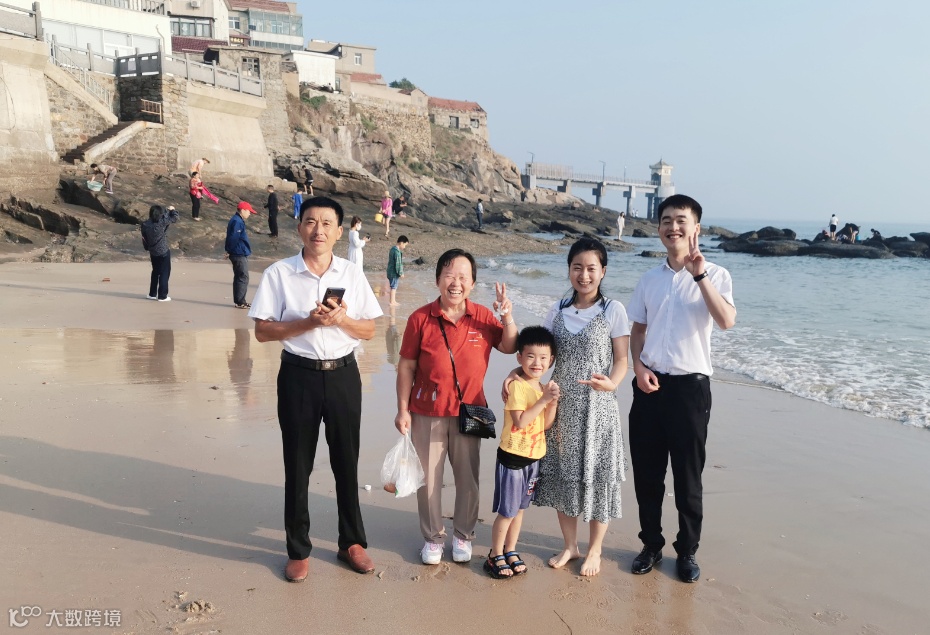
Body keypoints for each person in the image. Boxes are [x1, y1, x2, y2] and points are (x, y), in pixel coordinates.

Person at [249, 195, 383, 581]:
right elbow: (262, 331)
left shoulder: (352, 274)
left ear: (340, 232)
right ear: (299, 228)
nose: (318, 230)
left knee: (346, 461)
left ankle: (351, 542)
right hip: (298, 376)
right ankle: (298, 549)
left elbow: (369, 330)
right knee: (298, 464)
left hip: (343, 375)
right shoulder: (279, 274)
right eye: (310, 221)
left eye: (326, 223)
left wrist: (341, 321)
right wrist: (308, 323)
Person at [627, 194, 736, 584]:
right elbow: (638, 331)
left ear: (696, 228)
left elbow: (726, 320)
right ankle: (651, 545)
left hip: (691, 389)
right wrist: (638, 368)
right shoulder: (649, 279)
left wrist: (699, 275)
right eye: (666, 221)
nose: (673, 227)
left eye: (681, 220)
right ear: (658, 228)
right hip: (649, 386)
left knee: (688, 477)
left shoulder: (716, 274)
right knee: (647, 475)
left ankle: (687, 551)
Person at [512, 237, 631, 577]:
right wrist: (515, 373)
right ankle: (570, 546)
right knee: (565, 476)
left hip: (598, 409)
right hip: (560, 407)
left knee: (598, 477)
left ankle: (595, 550)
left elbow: (622, 360)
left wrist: (612, 383)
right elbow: (539, 355)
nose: (584, 275)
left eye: (591, 268)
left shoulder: (614, 310)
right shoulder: (558, 309)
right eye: (577, 267)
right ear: (569, 270)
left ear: (603, 271)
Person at [394, 249, 518, 566]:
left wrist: (506, 315)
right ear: (438, 279)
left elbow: (509, 345)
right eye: (449, 275)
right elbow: (406, 366)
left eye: (463, 277)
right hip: (427, 412)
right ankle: (433, 538)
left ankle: (463, 535)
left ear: (472, 283)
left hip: (470, 413)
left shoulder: (483, 317)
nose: (455, 283)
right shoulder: (420, 318)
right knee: (429, 481)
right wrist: (402, 409)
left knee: (468, 480)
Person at [487, 326, 560, 579]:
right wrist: (543, 400)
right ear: (519, 357)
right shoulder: (517, 386)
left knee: (519, 510)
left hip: (533, 457)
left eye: (543, 358)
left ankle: (510, 549)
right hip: (513, 458)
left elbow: (545, 424)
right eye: (530, 356)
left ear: (551, 360)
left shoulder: (542, 388)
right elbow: (520, 422)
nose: (537, 363)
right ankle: (495, 554)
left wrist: (552, 403)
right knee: (507, 511)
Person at [141, 205, 179, 301]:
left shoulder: (145, 224)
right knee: (164, 273)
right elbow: (174, 218)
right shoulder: (161, 222)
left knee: (155, 272)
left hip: (153, 251)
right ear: (160, 214)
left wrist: (167, 211)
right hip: (163, 251)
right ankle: (162, 296)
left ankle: (152, 294)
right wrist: (173, 210)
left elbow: (144, 238)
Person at [225, 201, 257, 309]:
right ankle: (240, 302)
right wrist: (229, 250)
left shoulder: (237, 220)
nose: (250, 213)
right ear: (242, 210)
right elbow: (233, 237)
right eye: (249, 211)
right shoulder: (237, 221)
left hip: (239, 252)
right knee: (243, 276)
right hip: (238, 253)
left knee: (240, 276)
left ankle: (240, 301)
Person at [386, 235, 408, 307]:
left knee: (393, 286)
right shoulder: (397, 252)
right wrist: (401, 273)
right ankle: (392, 302)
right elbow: (398, 264)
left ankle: (393, 300)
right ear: (401, 243)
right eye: (405, 245)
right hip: (394, 273)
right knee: (394, 287)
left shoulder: (392, 249)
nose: (404, 247)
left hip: (390, 271)